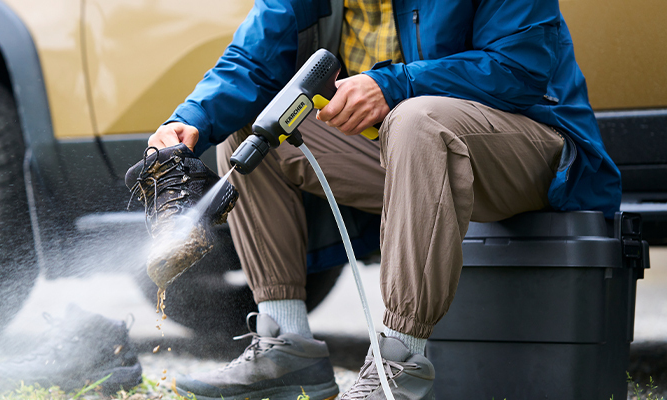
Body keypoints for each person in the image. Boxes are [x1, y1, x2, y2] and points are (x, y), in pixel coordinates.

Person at [135, 0, 621, 400]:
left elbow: (520, 66)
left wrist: (394, 84)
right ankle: (287, 345)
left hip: (533, 151)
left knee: (415, 119)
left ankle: (399, 363)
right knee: (262, 119)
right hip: (407, 148)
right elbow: (251, 61)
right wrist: (190, 120)